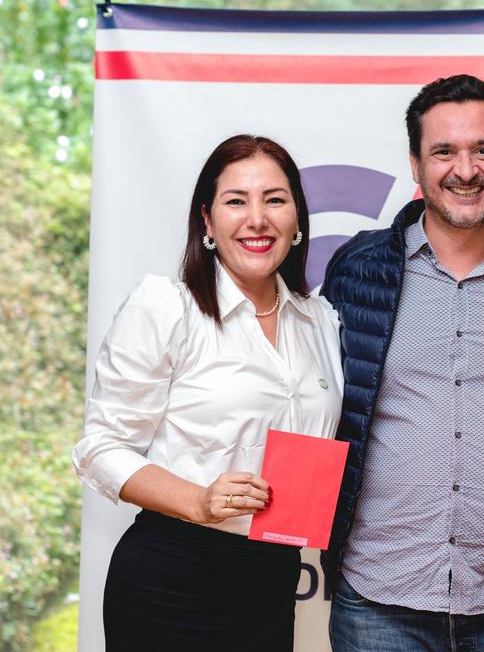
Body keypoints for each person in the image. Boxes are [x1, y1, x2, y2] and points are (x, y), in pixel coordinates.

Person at [320, 74, 484, 651]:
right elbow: (317, 396)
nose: (465, 170)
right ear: (415, 164)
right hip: (376, 595)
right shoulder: (357, 269)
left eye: (483, 149)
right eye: (444, 151)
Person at [72, 134, 342, 651]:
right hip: (172, 578)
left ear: (297, 221)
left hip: (273, 579)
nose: (257, 219)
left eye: (275, 200)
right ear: (207, 221)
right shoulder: (167, 308)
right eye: (236, 201)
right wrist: (198, 500)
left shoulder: (321, 322)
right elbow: (100, 448)